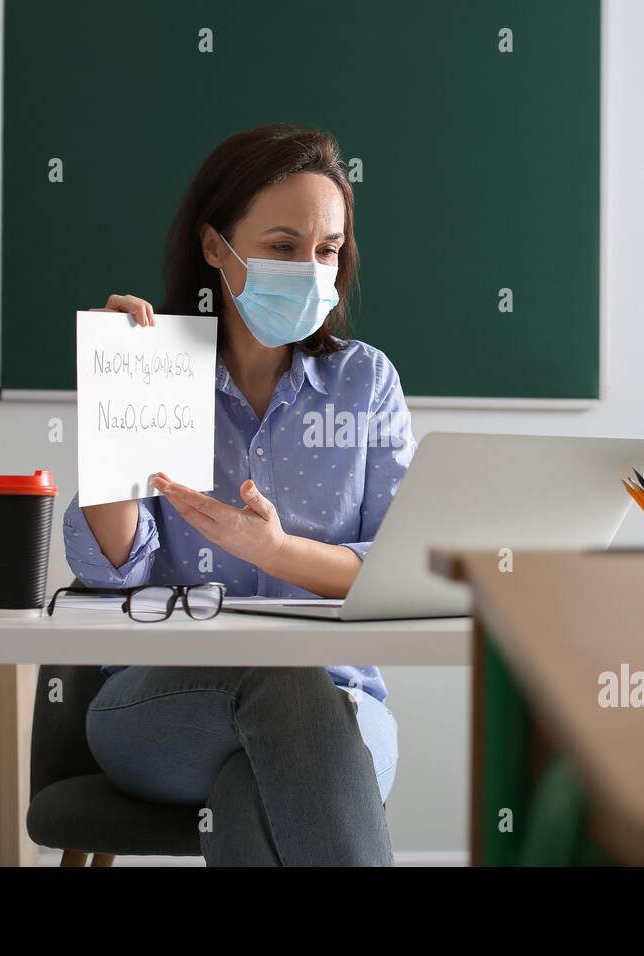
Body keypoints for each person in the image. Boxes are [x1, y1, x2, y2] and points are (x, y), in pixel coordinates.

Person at [63, 123, 417, 865]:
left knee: (252, 794)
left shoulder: (365, 383)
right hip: (163, 707)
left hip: (344, 703)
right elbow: (112, 571)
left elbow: (399, 570)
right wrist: (112, 398)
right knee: (282, 686)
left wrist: (280, 553)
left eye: (327, 250)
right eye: (284, 246)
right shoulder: (155, 370)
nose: (311, 269)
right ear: (215, 246)